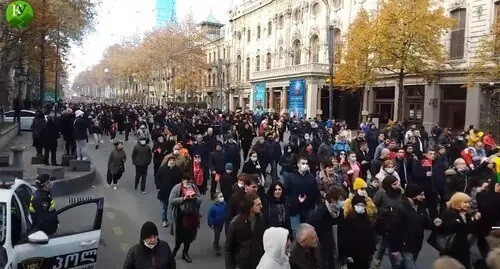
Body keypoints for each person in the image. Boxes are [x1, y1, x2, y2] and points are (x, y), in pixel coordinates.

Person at [225, 192, 265, 269]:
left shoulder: (260, 218)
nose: (261, 206)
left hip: (258, 262)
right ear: (251, 207)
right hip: (242, 264)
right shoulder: (236, 223)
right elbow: (228, 249)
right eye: (258, 204)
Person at [169, 176, 202, 263]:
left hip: (191, 216)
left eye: (190, 182)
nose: (188, 184)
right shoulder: (177, 188)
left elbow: (200, 199)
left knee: (189, 236)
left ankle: (185, 253)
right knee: (179, 237)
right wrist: (182, 199)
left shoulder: (194, 187)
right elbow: (171, 200)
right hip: (180, 216)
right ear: (182, 180)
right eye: (186, 181)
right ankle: (174, 252)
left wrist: (195, 198)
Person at [338, 194, 376, 269]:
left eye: (362, 205)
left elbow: (370, 236)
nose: (361, 207)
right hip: (353, 255)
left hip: (365, 254)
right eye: (359, 205)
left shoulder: (366, 220)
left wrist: (371, 251)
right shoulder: (348, 221)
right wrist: (346, 255)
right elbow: (343, 239)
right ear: (354, 206)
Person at [155, 156, 182, 227]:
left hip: (174, 193)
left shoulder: (178, 170)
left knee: (173, 208)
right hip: (163, 192)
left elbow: (180, 180)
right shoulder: (162, 169)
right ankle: (164, 220)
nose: (172, 162)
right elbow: (157, 179)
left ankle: (173, 220)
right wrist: (158, 187)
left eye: (173, 160)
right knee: (164, 208)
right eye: (170, 160)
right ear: (168, 161)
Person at [207, 192, 228, 256]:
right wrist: (210, 223)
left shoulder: (225, 204)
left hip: (222, 222)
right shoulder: (213, 207)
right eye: (220, 197)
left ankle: (216, 243)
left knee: (219, 232)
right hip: (216, 224)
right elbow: (209, 216)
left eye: (222, 196)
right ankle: (216, 246)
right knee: (217, 234)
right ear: (216, 199)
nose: (222, 198)